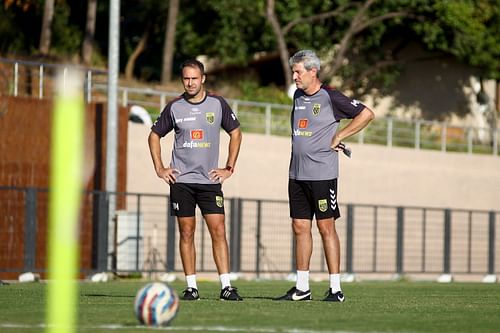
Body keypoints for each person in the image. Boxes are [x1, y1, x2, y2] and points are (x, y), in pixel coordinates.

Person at [275, 50, 374, 302]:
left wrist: (340, 136)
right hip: (296, 173)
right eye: (293, 71)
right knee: (299, 227)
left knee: (325, 227)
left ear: (312, 71)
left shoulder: (331, 96)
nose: (294, 76)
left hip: (322, 174)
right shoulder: (297, 96)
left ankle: (336, 289)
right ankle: (302, 287)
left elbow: (366, 114)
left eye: (298, 72)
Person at [148, 59, 243, 301]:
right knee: (187, 232)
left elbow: (236, 133)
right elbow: (154, 136)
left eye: (194, 78)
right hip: (181, 182)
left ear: (203, 79)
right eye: (186, 78)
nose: (190, 82)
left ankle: (226, 286)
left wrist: (229, 167)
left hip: (210, 182)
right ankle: (191, 287)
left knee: (218, 230)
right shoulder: (174, 107)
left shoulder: (217, 103)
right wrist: (160, 168)